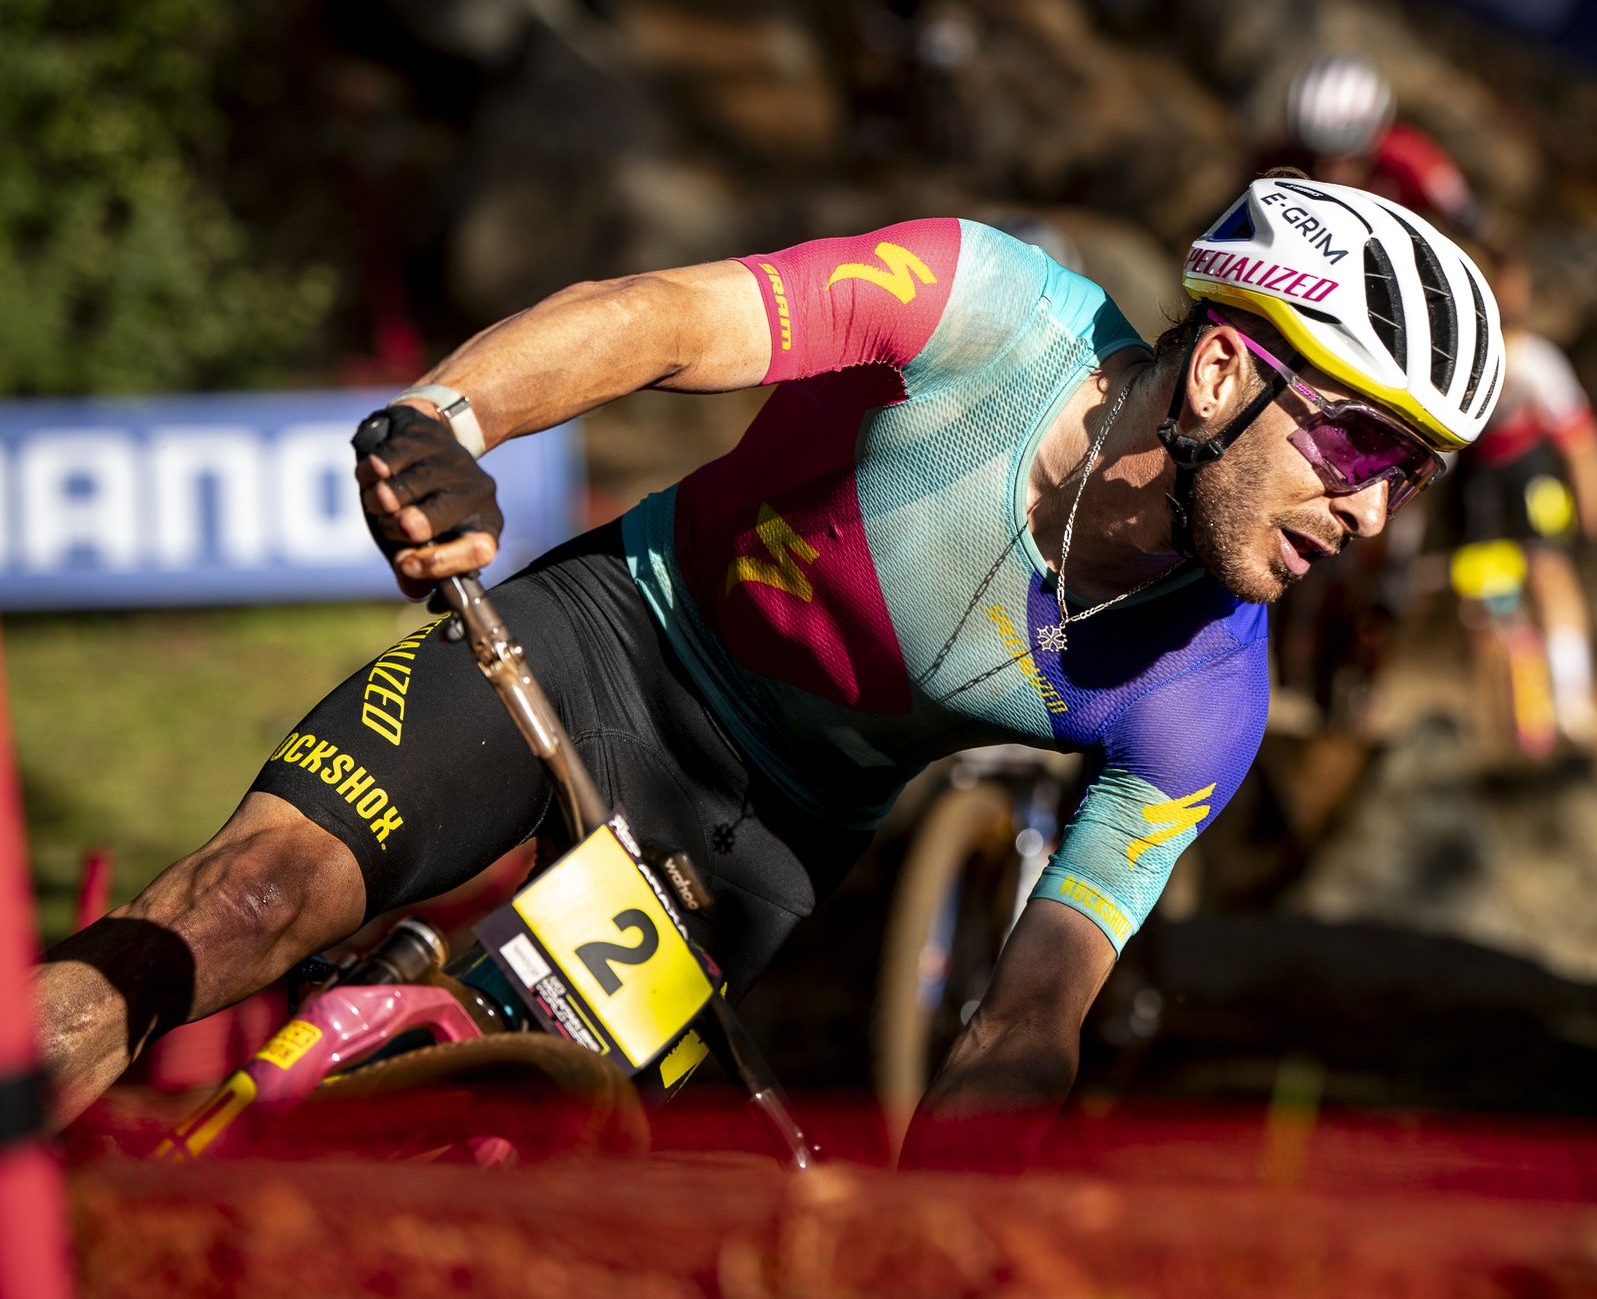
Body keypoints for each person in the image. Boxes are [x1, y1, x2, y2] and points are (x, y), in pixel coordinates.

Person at [35, 178, 1503, 1167]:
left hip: (752, 845)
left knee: (488, 1143)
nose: (1373, 511)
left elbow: (1027, 1019)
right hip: (609, 637)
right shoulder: (985, 311)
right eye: (1356, 443)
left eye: (1411, 476)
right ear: (1223, 374)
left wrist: (942, 1236)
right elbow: (668, 317)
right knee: (245, 901)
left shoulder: (1206, 695)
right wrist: (450, 419)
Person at [1447, 257, 1597, 747]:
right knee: (1479, 596)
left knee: (1549, 570)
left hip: (1531, 471)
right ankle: (1495, 714)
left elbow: (1581, 440)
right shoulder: (1457, 354)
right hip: (1477, 478)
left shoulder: (1540, 361)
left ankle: (1572, 704)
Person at [1263, 54, 1483, 238]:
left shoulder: (1412, 159)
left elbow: (1477, 228)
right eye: (1314, 154)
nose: (1324, 171)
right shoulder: (1279, 160)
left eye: (1341, 157)